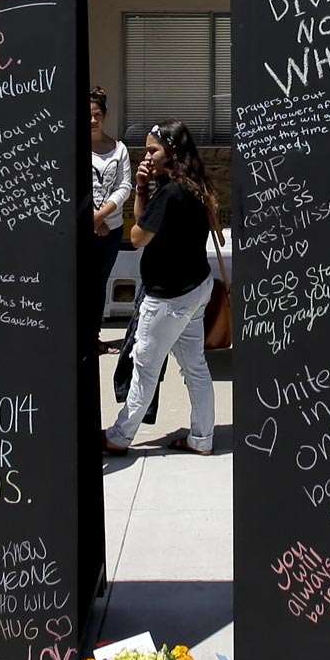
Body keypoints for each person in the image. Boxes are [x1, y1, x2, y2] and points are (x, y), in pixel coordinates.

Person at [102, 120, 217, 457]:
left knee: (145, 367)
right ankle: (202, 437)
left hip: (168, 296)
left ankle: (120, 436)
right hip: (196, 287)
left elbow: (137, 237)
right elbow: (147, 221)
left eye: (153, 149)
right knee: (195, 367)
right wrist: (141, 188)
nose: (147, 155)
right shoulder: (195, 185)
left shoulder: (171, 193)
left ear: (173, 152)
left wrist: (148, 193)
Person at [86, 88, 131, 355]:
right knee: (82, 282)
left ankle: (94, 336)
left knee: (100, 282)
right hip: (85, 229)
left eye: (98, 115)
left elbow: (124, 186)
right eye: (89, 116)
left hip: (110, 229)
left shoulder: (119, 149)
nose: (93, 121)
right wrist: (91, 220)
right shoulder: (75, 146)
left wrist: (101, 216)